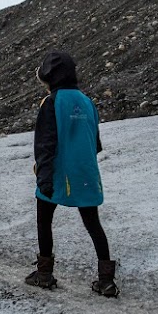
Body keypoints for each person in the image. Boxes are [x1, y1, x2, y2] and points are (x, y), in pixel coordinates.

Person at [25, 51, 117, 297]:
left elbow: (45, 144)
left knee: (44, 221)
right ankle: (106, 281)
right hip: (86, 173)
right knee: (93, 224)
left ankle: (44, 273)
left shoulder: (52, 102)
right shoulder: (87, 101)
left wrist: (43, 177)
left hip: (58, 174)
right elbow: (95, 143)